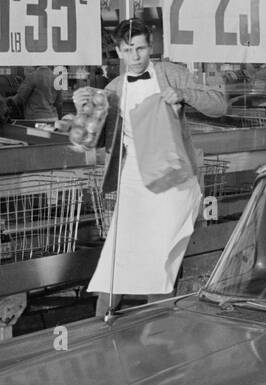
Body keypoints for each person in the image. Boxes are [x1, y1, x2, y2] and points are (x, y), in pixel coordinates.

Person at [81, 19, 227, 318]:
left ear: (151, 47)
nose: (135, 56)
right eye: (128, 49)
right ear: (118, 52)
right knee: (119, 252)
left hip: (173, 178)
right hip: (133, 178)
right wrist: (84, 110)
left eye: (141, 48)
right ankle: (100, 323)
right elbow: (88, 142)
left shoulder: (171, 73)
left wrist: (185, 95)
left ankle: (159, 320)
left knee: (162, 252)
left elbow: (218, 105)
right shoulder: (112, 89)